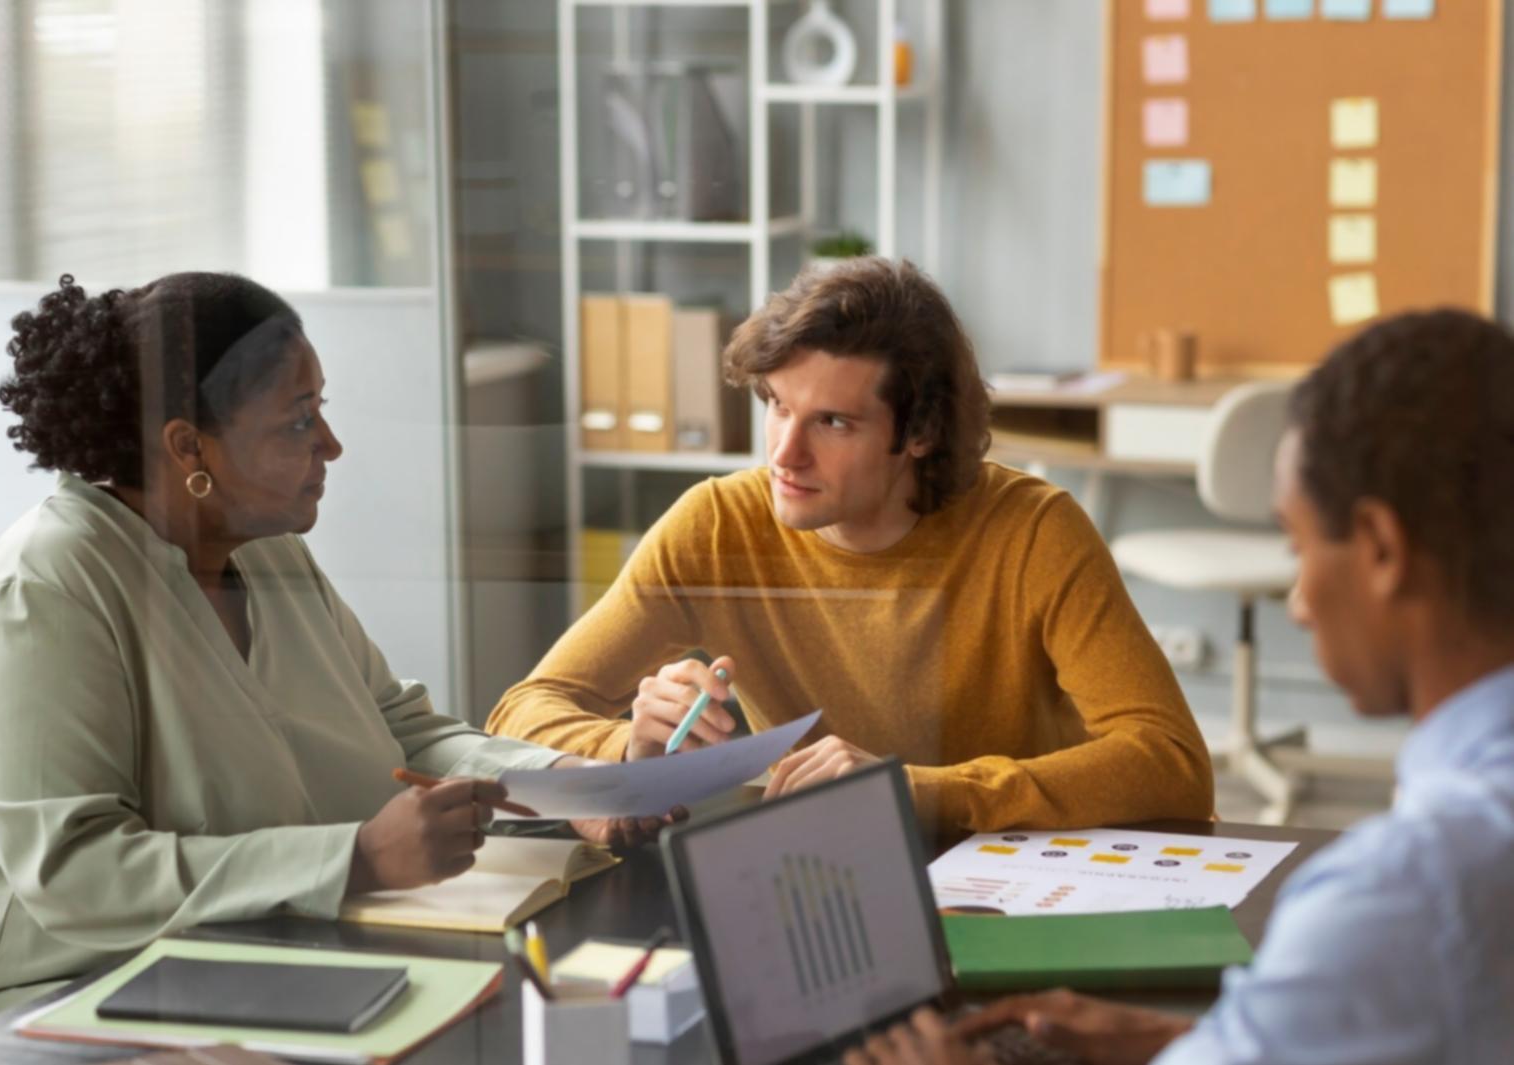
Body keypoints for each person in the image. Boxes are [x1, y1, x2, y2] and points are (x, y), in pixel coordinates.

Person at [0, 273, 676, 1018]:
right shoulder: (43, 595)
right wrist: (359, 858)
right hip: (41, 1001)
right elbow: (76, 877)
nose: (332, 445)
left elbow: (399, 728)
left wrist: (575, 786)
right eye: (298, 419)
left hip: (241, 958)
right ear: (189, 448)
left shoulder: (265, 551)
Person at [845, 308, 1514, 1065]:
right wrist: (1189, 1043)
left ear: (1382, 548)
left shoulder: (1403, 892)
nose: (1296, 600)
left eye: (1299, 545)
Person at [489, 258, 1213, 835]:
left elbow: (1172, 763)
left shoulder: (1032, 531)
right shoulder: (715, 525)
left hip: (1005, 868)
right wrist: (632, 751)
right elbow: (522, 712)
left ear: (920, 434)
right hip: (820, 867)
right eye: (777, 405)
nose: (786, 453)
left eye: (833, 422)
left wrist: (915, 790)